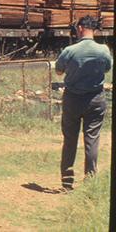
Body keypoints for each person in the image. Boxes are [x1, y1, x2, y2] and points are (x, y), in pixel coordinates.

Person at [55, 15, 113, 191]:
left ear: (80, 28)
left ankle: (67, 180)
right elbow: (107, 68)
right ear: (93, 29)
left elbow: (58, 71)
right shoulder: (103, 50)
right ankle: (90, 179)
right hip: (95, 99)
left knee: (70, 138)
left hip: (73, 98)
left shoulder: (70, 50)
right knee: (92, 139)